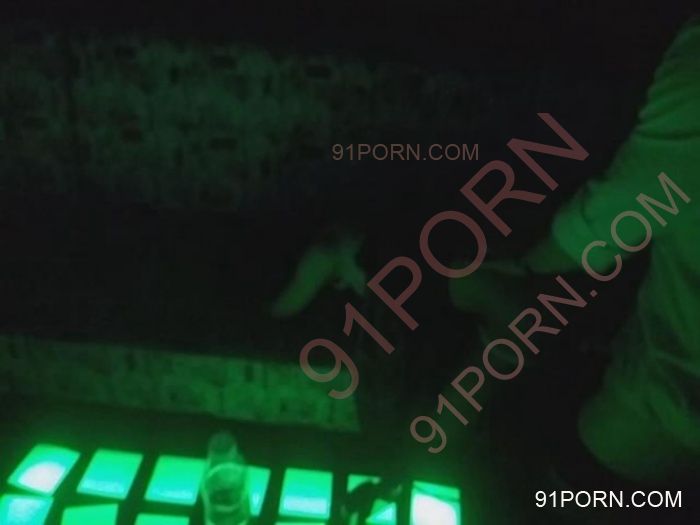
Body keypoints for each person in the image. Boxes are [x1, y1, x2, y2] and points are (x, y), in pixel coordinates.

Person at [451, 16, 700, 484]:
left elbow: (624, 207)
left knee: (551, 494)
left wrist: (524, 267)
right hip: (646, 403)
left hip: (658, 423)